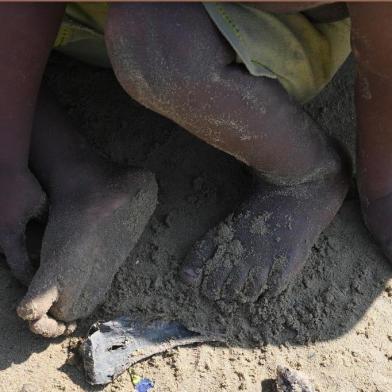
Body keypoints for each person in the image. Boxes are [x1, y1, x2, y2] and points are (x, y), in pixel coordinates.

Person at [0, 3, 390, 338]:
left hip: (241, 39)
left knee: (155, 39)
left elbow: (384, 61)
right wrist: (9, 163)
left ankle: (304, 172)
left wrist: (383, 186)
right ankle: (78, 176)